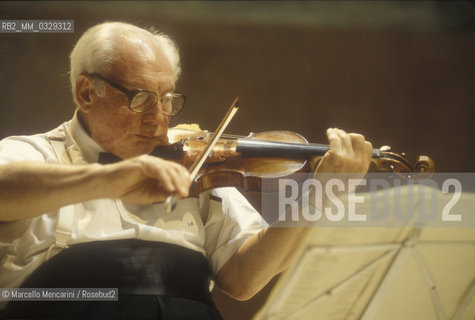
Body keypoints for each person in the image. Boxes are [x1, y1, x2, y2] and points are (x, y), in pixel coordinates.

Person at [0, 22, 373, 319]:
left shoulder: (192, 168)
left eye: (167, 99)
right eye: (141, 97)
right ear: (86, 92)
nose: (159, 119)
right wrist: (112, 179)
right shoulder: (32, 154)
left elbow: (245, 279)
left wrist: (323, 192)